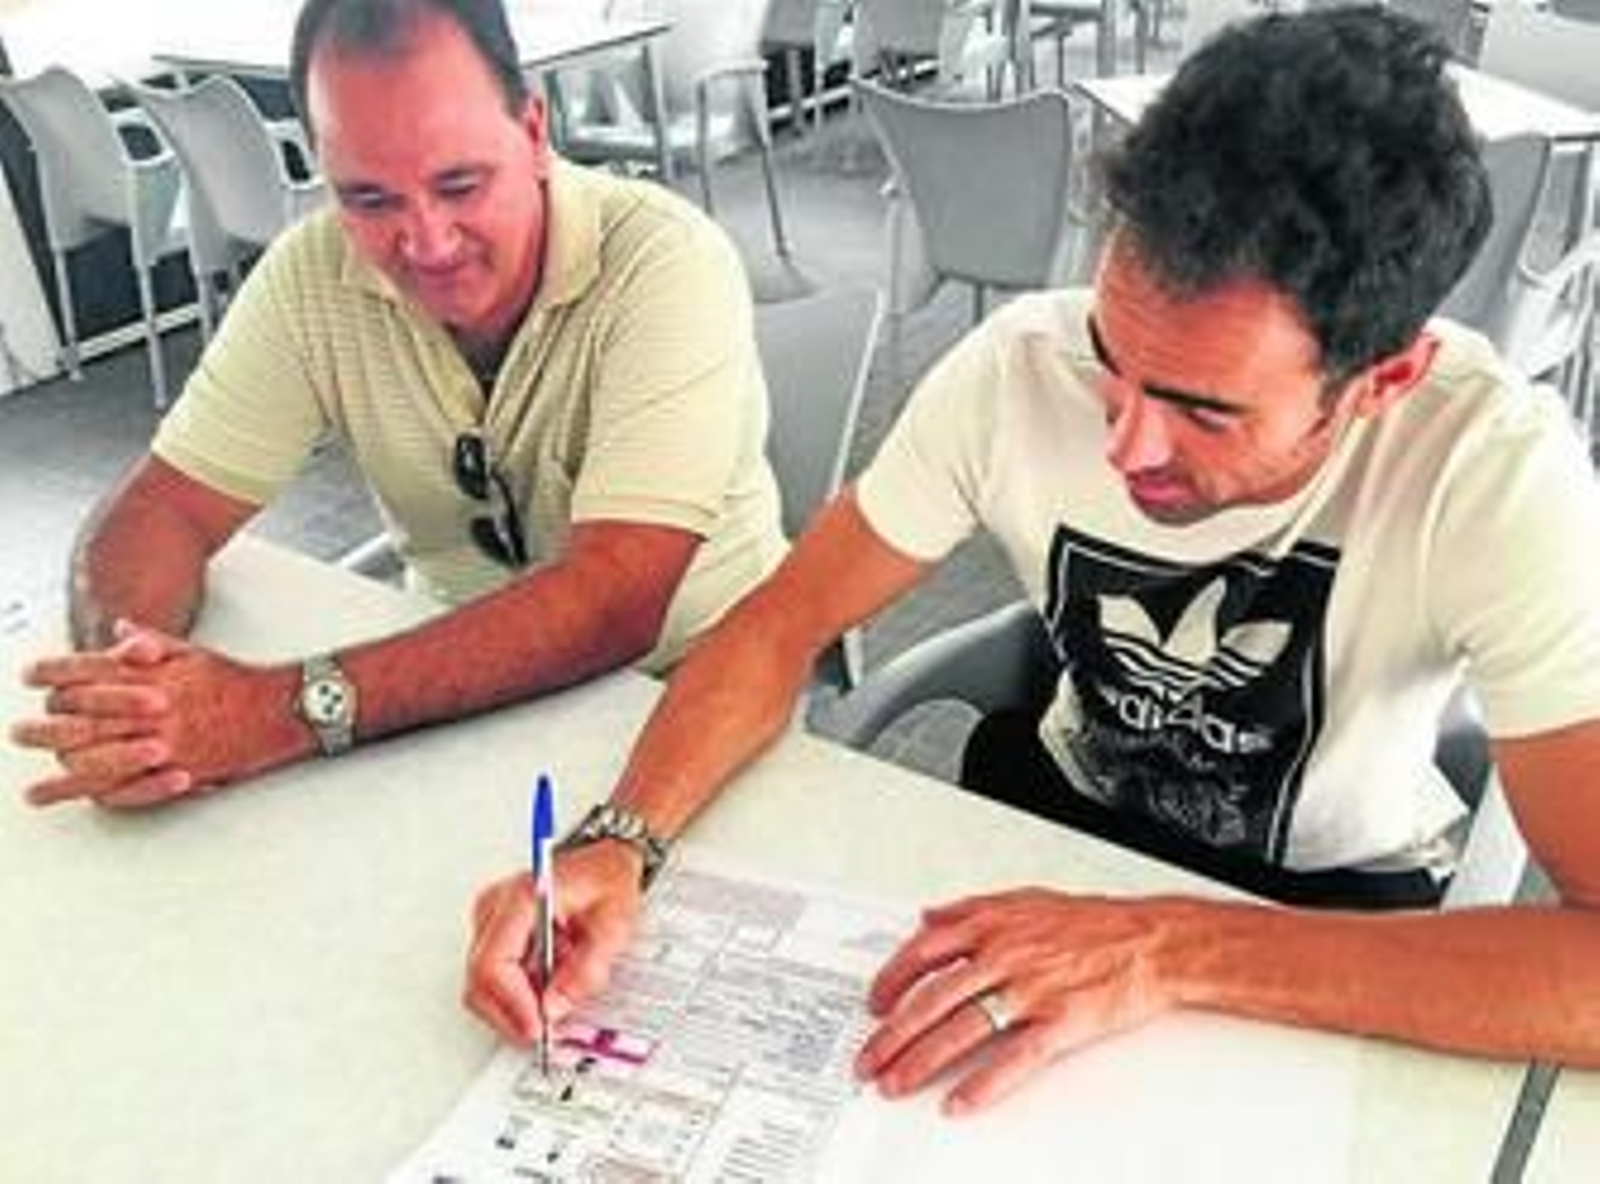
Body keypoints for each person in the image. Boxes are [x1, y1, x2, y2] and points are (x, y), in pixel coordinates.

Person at [463, 6, 1600, 1117]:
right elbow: (777, 626)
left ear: (1382, 380)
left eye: (1204, 410)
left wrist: (1164, 946)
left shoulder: (1492, 470)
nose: (1124, 441)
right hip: (1052, 826)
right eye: (1114, 357)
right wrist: (619, 842)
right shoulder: (1016, 366)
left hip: (1320, 904)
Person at [8, 0, 784, 807]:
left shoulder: (665, 261)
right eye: (371, 200)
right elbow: (164, 508)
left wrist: (277, 710)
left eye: (460, 183)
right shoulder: (310, 273)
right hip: (448, 707)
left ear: (534, 131)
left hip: (690, 698)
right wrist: (127, 689)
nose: (428, 243)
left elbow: (614, 602)